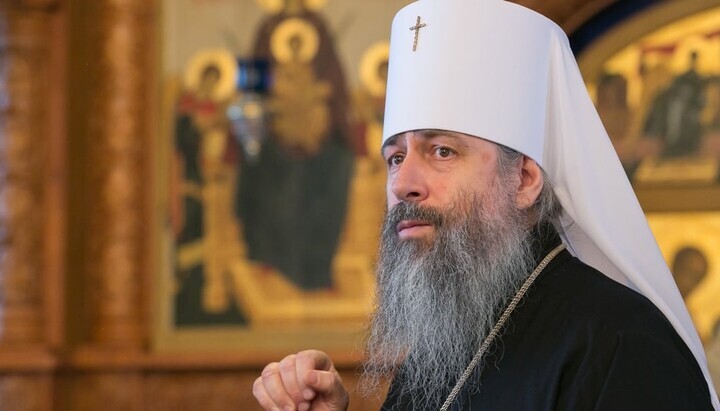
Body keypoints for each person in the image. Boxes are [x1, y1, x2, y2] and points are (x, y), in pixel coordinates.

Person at [253, 0, 720, 409]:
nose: (403, 185)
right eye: (395, 158)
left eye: (442, 151)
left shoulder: (623, 348)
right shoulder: (441, 352)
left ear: (524, 180)